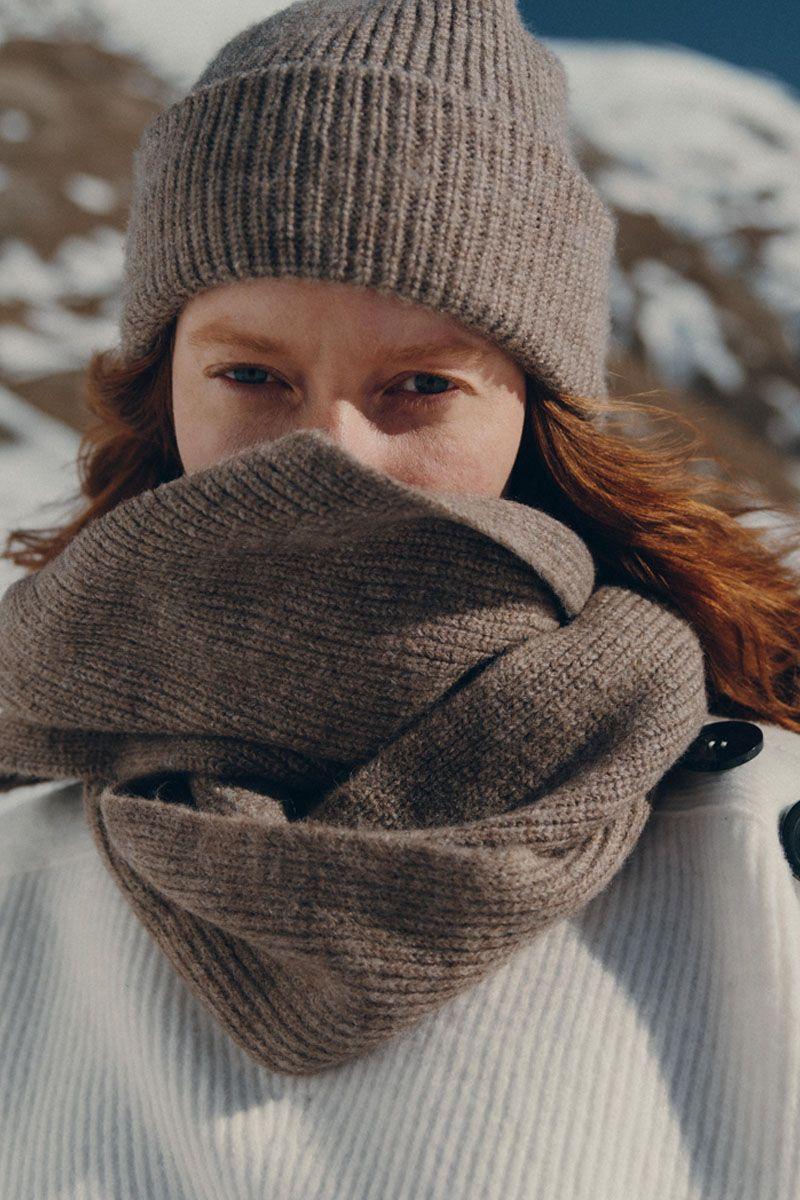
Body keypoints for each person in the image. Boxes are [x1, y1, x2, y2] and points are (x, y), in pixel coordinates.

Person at [1, 1, 799, 1196]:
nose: (330, 454)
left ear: (533, 414)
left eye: (420, 385)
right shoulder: (17, 846)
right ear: (163, 391)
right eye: (252, 374)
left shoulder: (755, 844)